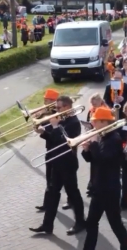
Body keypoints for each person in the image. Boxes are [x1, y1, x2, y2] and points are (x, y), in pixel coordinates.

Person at [29, 96, 85, 235]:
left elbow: (65, 142)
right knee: (53, 194)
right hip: (57, 162)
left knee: (73, 193)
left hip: (68, 163)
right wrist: (43, 133)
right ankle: (47, 225)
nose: (56, 110)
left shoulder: (74, 122)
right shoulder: (62, 120)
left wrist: (54, 126)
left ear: (67, 107)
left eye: (59, 107)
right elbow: (54, 140)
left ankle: (80, 222)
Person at [81, 107, 127, 250]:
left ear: (104, 122)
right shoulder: (103, 136)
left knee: (115, 223)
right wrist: (86, 150)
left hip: (109, 190)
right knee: (91, 222)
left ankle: (126, 247)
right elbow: (93, 160)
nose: (93, 125)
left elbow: (104, 160)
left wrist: (94, 144)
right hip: (99, 187)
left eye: (95, 121)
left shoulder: (114, 139)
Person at [35, 89, 59, 212]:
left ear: (54, 101)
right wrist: (37, 118)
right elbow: (39, 125)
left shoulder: (58, 114)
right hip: (49, 148)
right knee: (49, 178)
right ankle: (47, 203)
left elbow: (53, 133)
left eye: (47, 100)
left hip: (58, 151)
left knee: (66, 183)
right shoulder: (47, 112)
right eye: (45, 99)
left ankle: (72, 201)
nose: (44, 102)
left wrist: (42, 131)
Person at [85, 93, 108, 197]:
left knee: (98, 163)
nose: (93, 106)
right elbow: (88, 121)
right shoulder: (91, 110)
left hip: (101, 138)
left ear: (100, 101)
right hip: (93, 136)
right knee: (93, 163)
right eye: (92, 104)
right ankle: (92, 185)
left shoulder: (106, 110)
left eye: (95, 104)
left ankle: (96, 186)